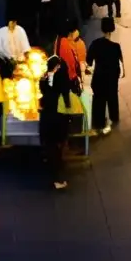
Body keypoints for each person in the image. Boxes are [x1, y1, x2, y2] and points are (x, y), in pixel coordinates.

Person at [39, 56, 72, 190]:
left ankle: (49, 160)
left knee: (50, 144)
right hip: (58, 119)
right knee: (57, 148)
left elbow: (43, 90)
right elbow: (66, 98)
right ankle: (57, 179)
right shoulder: (62, 80)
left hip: (47, 118)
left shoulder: (44, 79)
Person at [86, 17, 123, 135]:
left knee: (98, 100)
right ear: (112, 29)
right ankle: (114, 117)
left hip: (99, 78)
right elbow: (120, 65)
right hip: (111, 79)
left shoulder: (95, 44)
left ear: (102, 29)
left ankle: (98, 122)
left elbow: (89, 62)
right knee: (112, 98)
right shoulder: (116, 47)